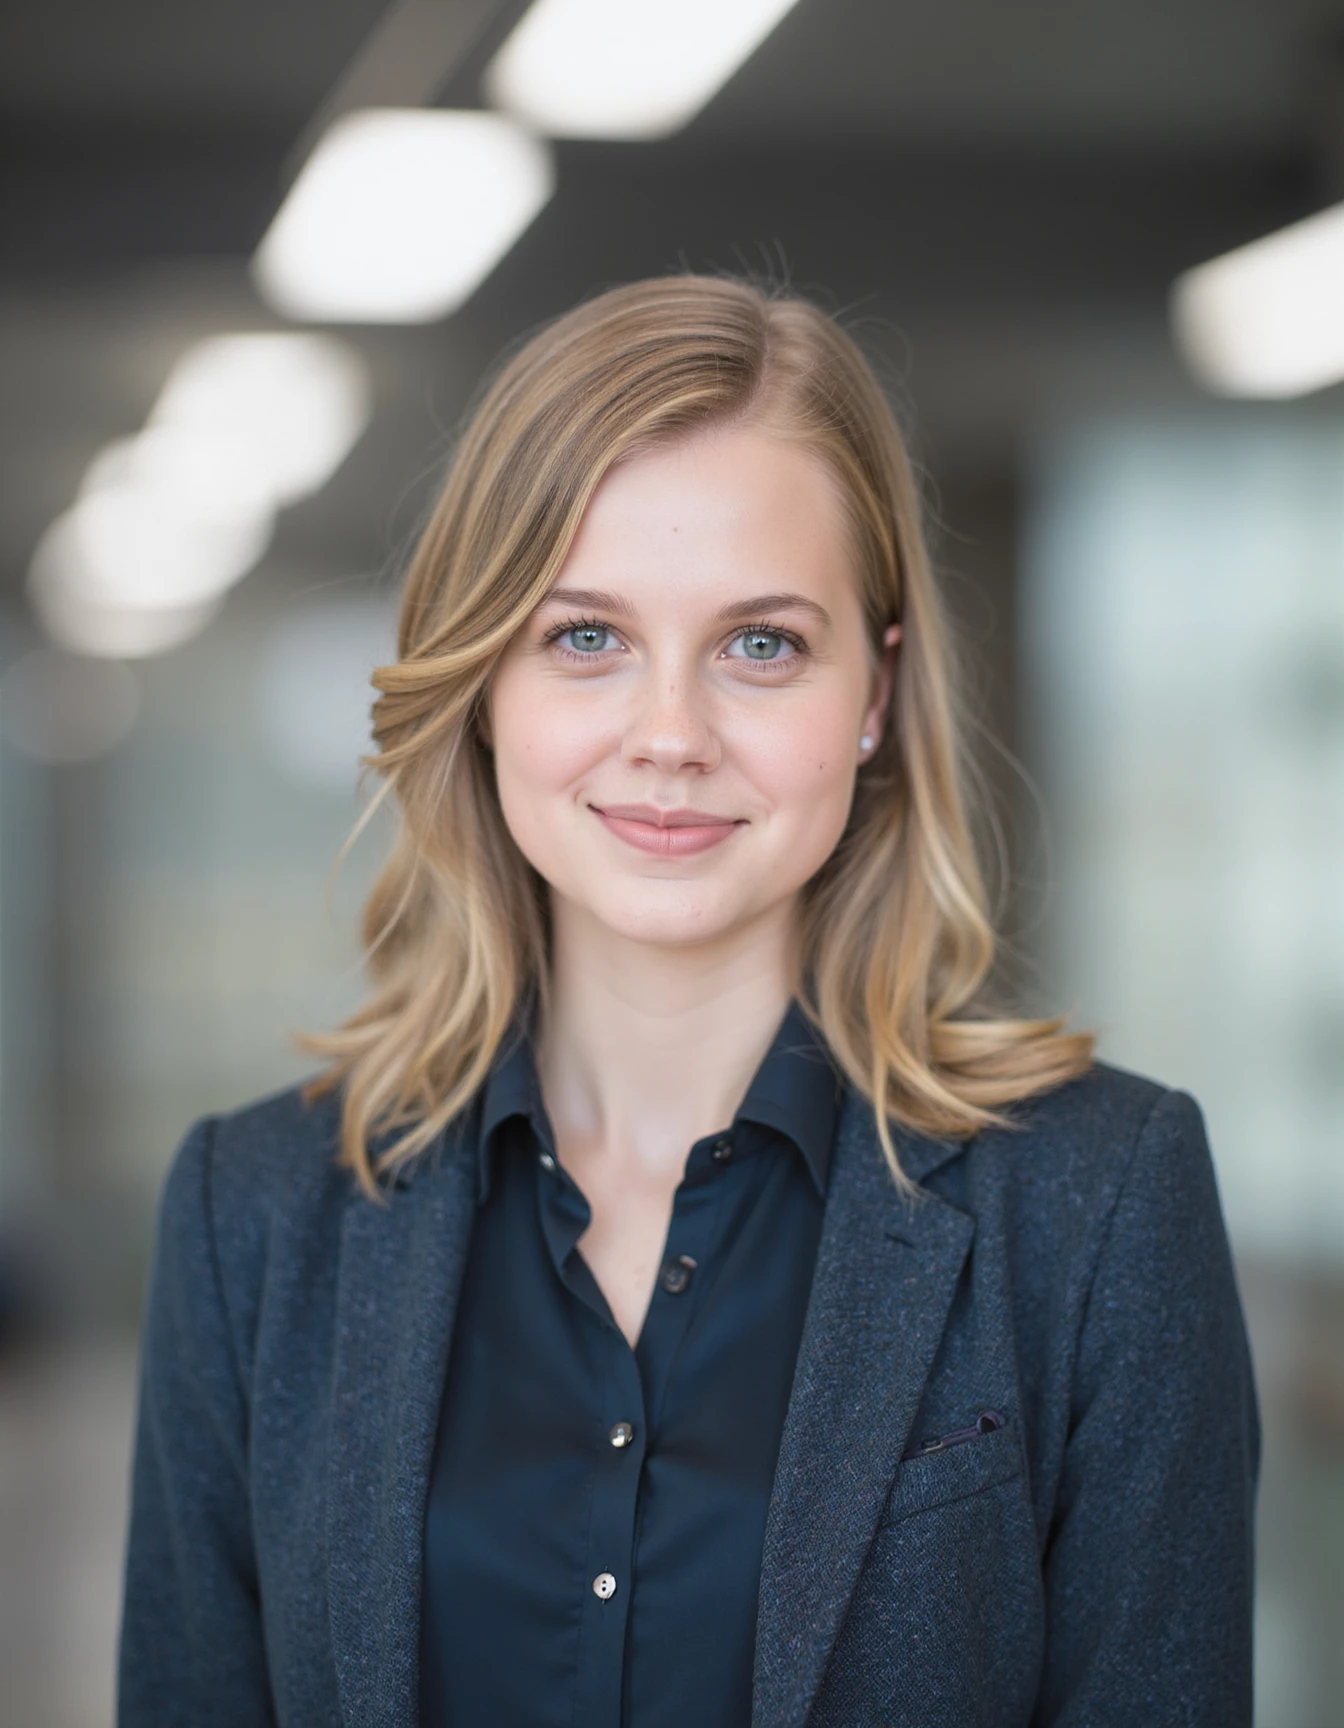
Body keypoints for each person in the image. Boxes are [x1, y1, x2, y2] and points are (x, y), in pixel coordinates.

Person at [117, 276, 1259, 1728]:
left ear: (874, 694)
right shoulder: (253, 1218)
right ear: (483, 679)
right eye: (583, 636)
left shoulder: (1100, 1208)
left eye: (761, 644)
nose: (671, 736)